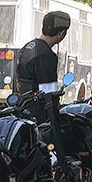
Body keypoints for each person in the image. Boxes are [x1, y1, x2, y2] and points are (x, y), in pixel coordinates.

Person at [13, 11, 72, 154]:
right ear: (62, 33)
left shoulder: (28, 47)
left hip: (21, 106)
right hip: (38, 113)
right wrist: (55, 120)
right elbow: (48, 93)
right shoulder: (46, 55)